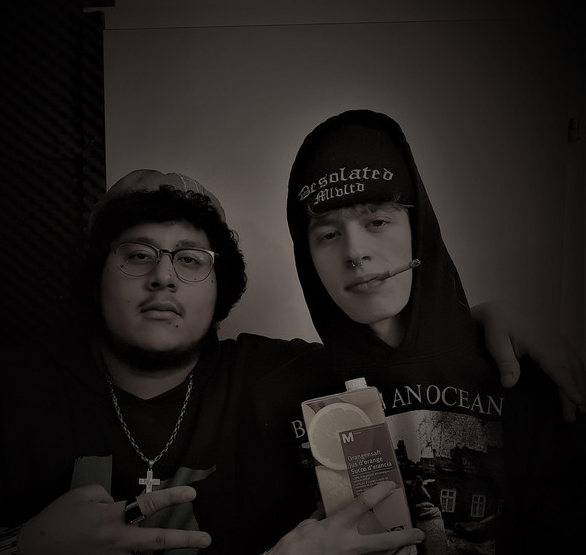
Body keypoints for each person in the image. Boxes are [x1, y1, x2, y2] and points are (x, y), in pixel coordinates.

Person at [0, 168, 581, 555]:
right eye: (138, 254)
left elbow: (401, 362)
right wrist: (19, 546)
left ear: (220, 288)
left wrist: (475, 325)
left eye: (190, 258)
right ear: (95, 276)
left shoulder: (278, 378)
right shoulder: (3, 390)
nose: (164, 276)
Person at [251, 109, 585, 553]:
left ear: (418, 229)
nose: (355, 253)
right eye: (328, 234)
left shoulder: (521, 373)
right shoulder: (277, 398)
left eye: (377, 221)